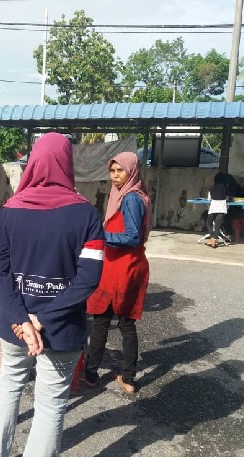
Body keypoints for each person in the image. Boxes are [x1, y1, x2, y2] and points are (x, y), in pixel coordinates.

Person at [0, 133, 105, 457]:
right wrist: (41, 320)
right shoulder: (87, 215)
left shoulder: (10, 211)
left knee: (8, 388)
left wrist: (23, 320)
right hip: (62, 330)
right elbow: (88, 279)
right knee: (51, 404)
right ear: (66, 163)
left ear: (33, 161)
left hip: (15, 327)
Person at [84, 151, 152, 395]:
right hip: (121, 266)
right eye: (112, 171)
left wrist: (100, 236)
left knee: (111, 323)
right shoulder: (129, 193)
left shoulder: (131, 198)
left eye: (120, 170)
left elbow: (132, 236)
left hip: (124, 268)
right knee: (117, 323)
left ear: (131, 171)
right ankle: (123, 377)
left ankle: (96, 375)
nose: (115, 176)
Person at [205, 173, 228, 248]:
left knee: (209, 223)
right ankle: (214, 241)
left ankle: (212, 239)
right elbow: (227, 198)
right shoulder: (225, 188)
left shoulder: (211, 188)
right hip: (222, 208)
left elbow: (209, 199)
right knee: (218, 225)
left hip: (213, 208)